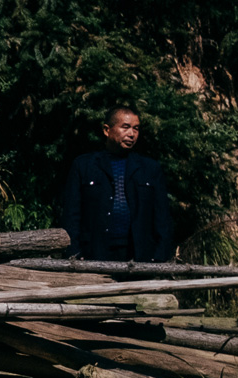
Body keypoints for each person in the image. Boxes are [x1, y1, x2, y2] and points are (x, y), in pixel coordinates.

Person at [59, 107, 173, 262]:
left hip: (140, 256)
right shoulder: (84, 166)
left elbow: (162, 219)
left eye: (136, 129)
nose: (132, 134)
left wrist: (159, 256)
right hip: (94, 254)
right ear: (107, 130)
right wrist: (74, 254)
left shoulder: (150, 169)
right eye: (125, 127)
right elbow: (71, 216)